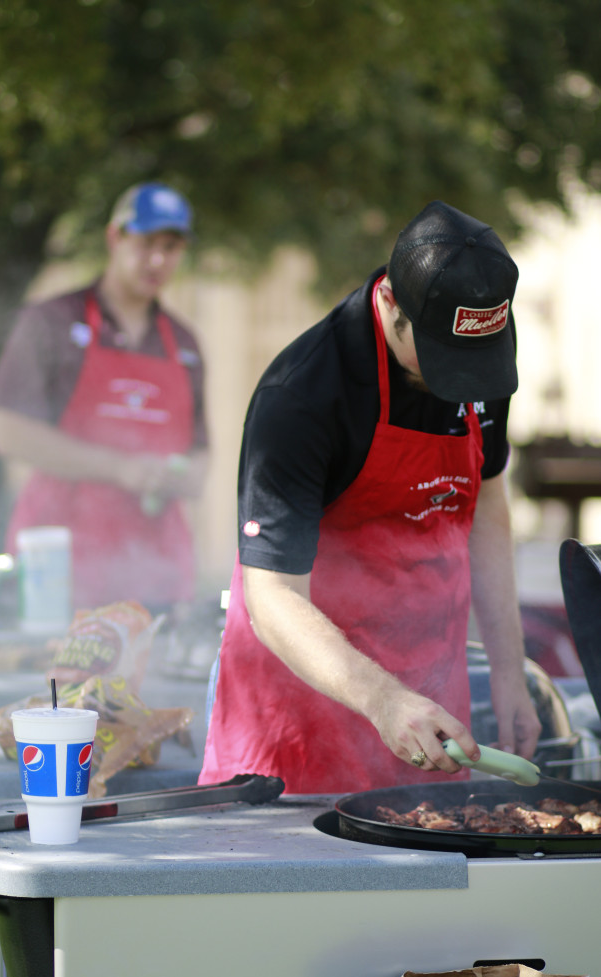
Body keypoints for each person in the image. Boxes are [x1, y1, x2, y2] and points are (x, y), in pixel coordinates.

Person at [200, 199, 542, 795]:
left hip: (432, 713)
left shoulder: (480, 363)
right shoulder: (303, 396)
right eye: (438, 357)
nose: (454, 382)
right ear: (389, 302)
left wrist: (510, 672)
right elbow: (271, 596)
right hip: (298, 726)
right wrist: (383, 700)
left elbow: (487, 506)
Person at [0, 182, 208, 611]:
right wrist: (121, 468)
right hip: (59, 572)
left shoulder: (185, 343)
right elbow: (9, 434)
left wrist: (180, 476)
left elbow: (201, 454)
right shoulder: (49, 323)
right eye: (146, 243)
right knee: (53, 679)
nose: (158, 260)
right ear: (115, 237)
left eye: (172, 247)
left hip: (155, 577)